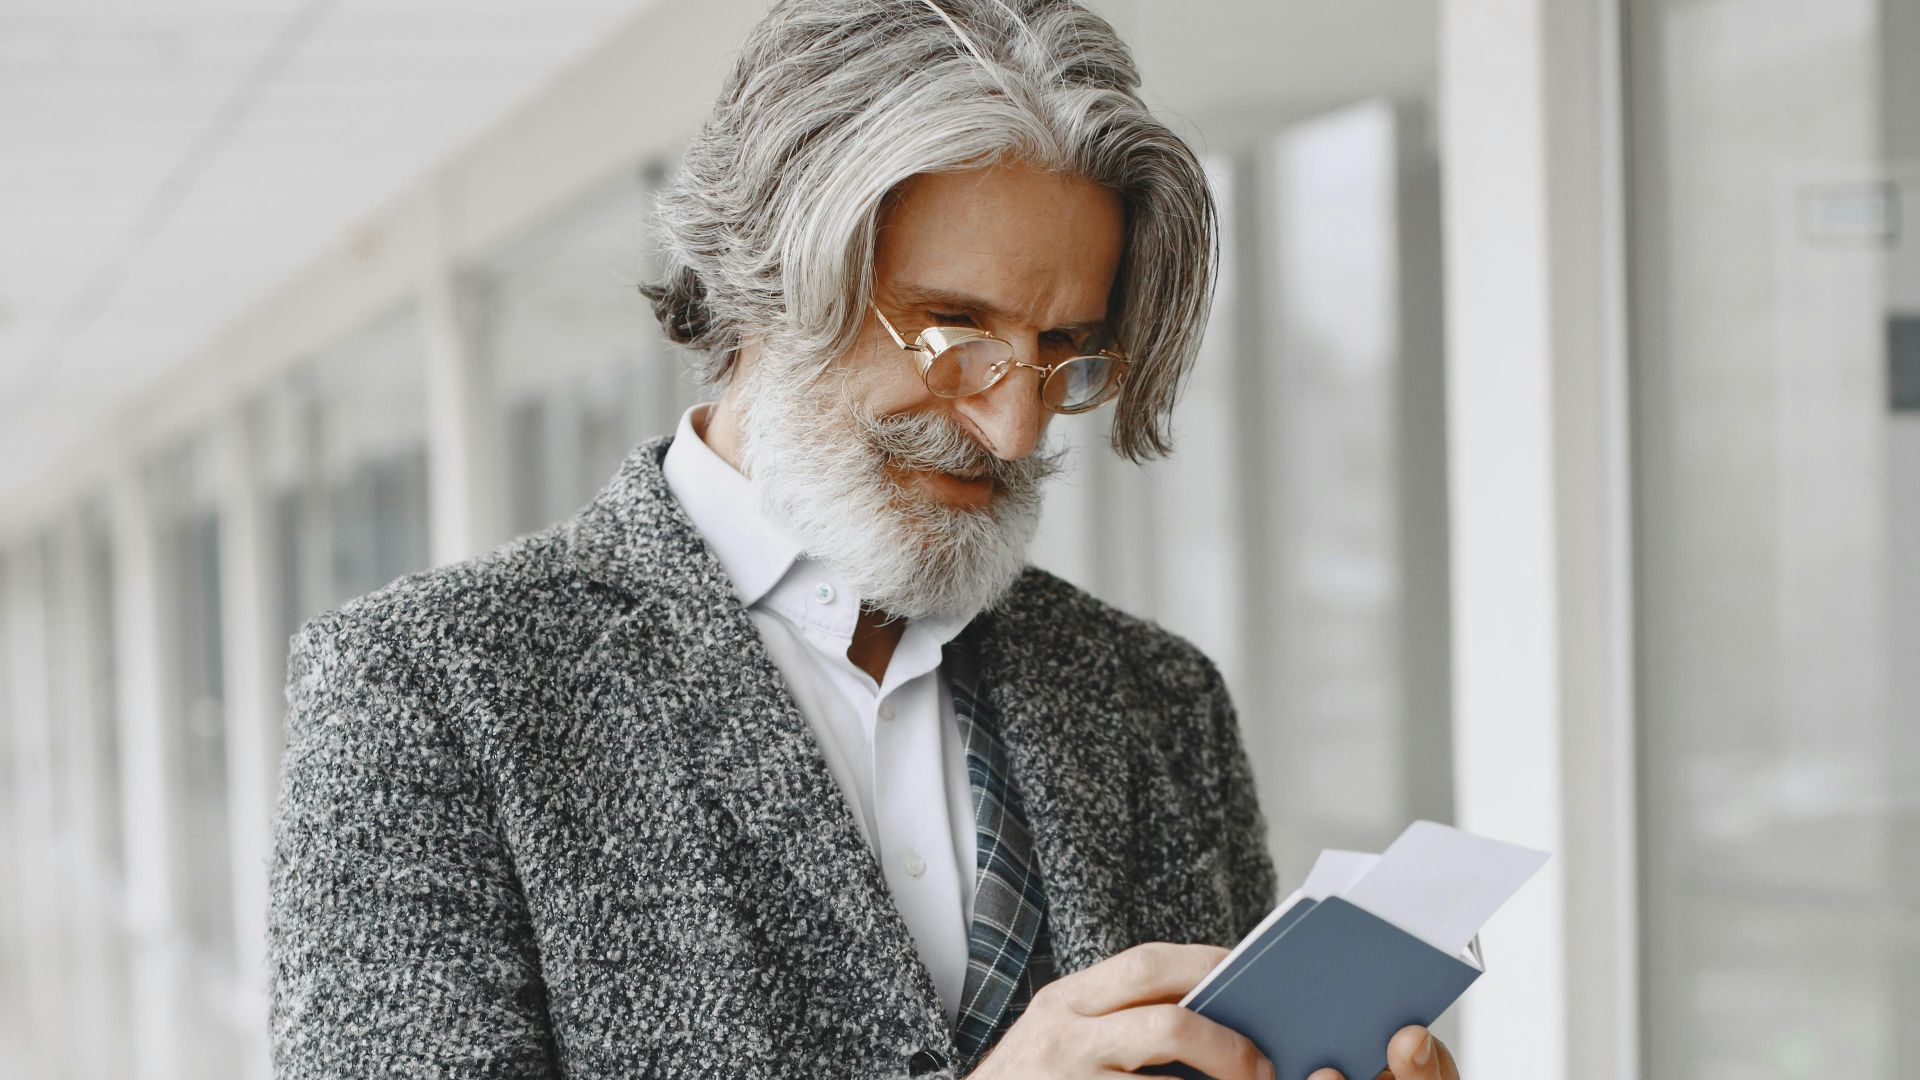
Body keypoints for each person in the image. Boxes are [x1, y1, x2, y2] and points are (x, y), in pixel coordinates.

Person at [266, 2, 1464, 1078]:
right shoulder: (429, 690)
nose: (1014, 421)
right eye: (956, 332)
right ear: (766, 275)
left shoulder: (1157, 700)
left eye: (1066, 356)